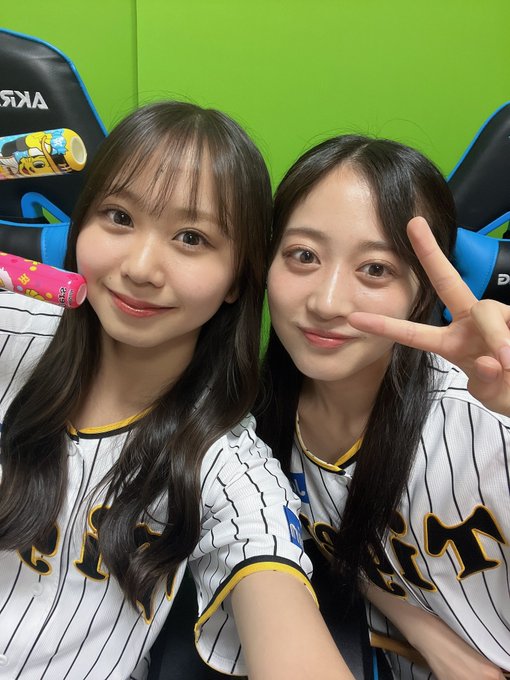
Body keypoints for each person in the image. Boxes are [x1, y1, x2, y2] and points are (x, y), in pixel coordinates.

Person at [0, 102, 354, 680]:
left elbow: (274, 586)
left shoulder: (228, 466)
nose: (141, 267)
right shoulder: (9, 330)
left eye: (191, 238)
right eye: (118, 216)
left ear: (238, 277)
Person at [256, 134, 510, 679]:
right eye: (303, 255)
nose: (326, 302)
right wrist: (423, 630)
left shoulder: (484, 420)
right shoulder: (259, 426)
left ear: (422, 294)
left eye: (375, 269)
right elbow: (337, 545)